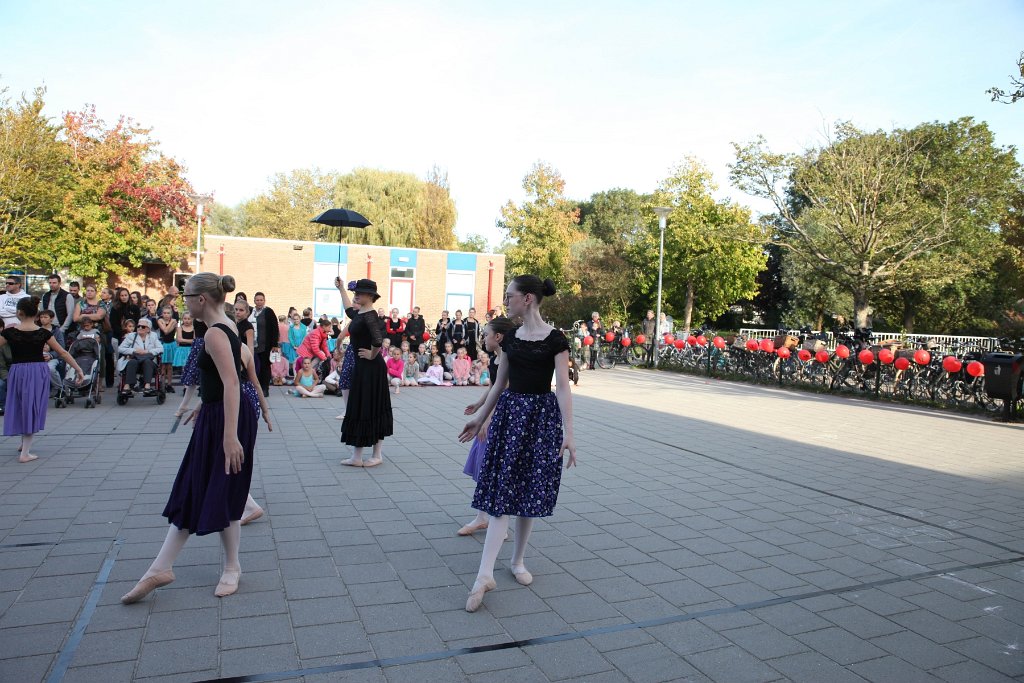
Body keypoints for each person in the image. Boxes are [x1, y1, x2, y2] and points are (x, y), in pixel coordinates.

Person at [120, 273, 258, 604]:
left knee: (220, 489)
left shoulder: (214, 333)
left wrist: (228, 436)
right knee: (198, 487)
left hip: (227, 419)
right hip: (219, 415)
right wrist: (202, 403)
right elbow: (223, 380)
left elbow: (233, 383)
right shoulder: (226, 324)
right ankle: (162, 567)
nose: (182, 303)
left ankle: (230, 567)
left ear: (201, 300)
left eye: (185, 297)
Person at [458, 275, 576, 612]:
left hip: (542, 419)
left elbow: (564, 387)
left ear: (527, 299)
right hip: (510, 416)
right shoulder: (510, 338)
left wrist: (570, 432)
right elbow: (499, 384)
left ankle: (518, 560)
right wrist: (480, 416)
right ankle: (483, 575)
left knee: (530, 491)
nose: (505, 301)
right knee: (502, 493)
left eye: (509, 296)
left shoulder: (556, 339)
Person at [0, 296, 84, 463]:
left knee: (20, 404)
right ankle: (25, 453)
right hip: (37, 371)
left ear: (19, 313)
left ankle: (23, 443)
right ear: (37, 314)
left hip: (17, 371)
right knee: (32, 406)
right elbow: (63, 353)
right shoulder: (43, 333)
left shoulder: (9, 332)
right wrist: (78, 369)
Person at [458, 316, 514, 536]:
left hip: (501, 419)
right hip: (490, 416)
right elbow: (492, 387)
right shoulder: (495, 360)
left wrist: (485, 419)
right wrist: (479, 403)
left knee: (494, 468)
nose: (482, 337)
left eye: (485, 334)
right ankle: (485, 518)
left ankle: (497, 521)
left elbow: (502, 392)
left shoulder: (509, 360)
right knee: (485, 468)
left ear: (498, 337)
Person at [336, 277, 393, 468]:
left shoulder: (370, 316)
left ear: (370, 296)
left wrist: (372, 354)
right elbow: (347, 309)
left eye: (359, 293)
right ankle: (357, 456)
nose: (356, 295)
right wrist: (342, 289)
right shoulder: (360, 312)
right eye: (355, 293)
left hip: (371, 368)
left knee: (371, 407)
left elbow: (378, 340)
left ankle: (377, 455)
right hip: (363, 368)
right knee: (360, 407)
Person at [118, 317, 163, 394]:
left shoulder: (153, 336)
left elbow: (161, 349)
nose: (140, 328)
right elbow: (120, 349)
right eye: (138, 326)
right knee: (132, 362)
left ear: (148, 329)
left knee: (147, 361)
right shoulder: (131, 336)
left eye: (143, 326)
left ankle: (147, 386)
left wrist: (147, 351)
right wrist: (134, 350)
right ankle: (127, 386)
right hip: (135, 362)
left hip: (149, 363)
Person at [251, 292, 278, 398]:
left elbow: (274, 328)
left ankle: (265, 388)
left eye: (261, 300)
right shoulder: (251, 312)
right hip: (253, 345)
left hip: (265, 345)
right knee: (254, 367)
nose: (259, 302)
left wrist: (274, 344)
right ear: (254, 301)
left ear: (264, 301)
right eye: (257, 300)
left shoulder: (268, 312)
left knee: (265, 367)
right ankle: (255, 388)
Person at [157, 306, 178, 393]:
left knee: (170, 366)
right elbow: (165, 331)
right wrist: (172, 322)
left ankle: (169, 384)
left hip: (171, 343)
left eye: (168, 313)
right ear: (162, 314)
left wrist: (173, 322)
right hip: (163, 344)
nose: (166, 315)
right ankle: (162, 384)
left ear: (171, 314)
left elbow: (175, 331)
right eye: (164, 313)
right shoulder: (160, 320)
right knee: (163, 366)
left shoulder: (174, 321)